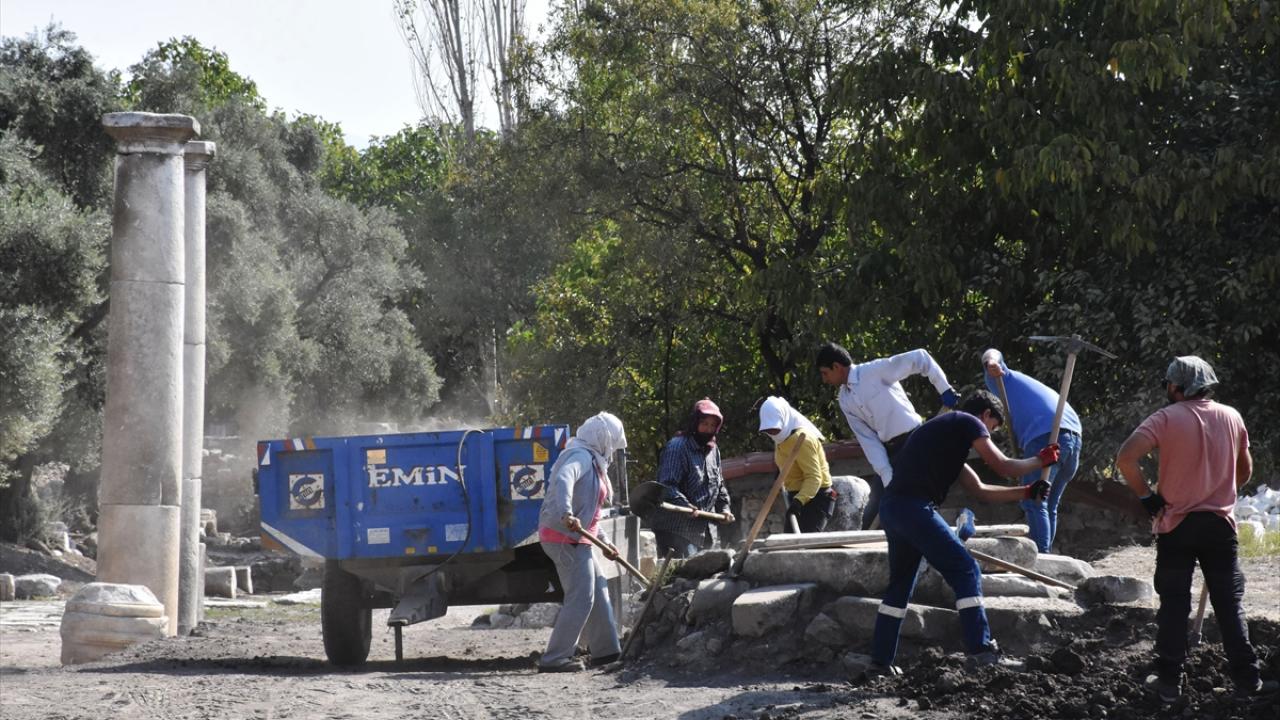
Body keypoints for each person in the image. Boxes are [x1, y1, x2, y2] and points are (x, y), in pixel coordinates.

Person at [1116, 356, 1278, 703]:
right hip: (1219, 526)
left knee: (1174, 604)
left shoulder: (1165, 418)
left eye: (1168, 386)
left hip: (1176, 526)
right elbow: (1245, 470)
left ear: (1176, 387)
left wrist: (1146, 497)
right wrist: (1220, 490)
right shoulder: (1232, 417)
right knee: (1230, 604)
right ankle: (1248, 682)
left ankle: (1170, 683)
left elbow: (1125, 457)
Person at [867, 390, 1059, 677]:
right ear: (986, 416)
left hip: (893, 509)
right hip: (914, 507)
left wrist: (1027, 492)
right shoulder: (968, 421)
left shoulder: (944, 438)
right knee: (966, 569)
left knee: (901, 585)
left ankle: (879, 664)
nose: (989, 436)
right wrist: (1039, 461)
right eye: (992, 430)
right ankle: (981, 652)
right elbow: (1003, 465)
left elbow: (981, 491)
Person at [817, 343, 960, 530]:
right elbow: (868, 439)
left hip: (915, 441)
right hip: (890, 451)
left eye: (825, 373)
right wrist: (886, 474)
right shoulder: (845, 400)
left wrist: (944, 388)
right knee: (878, 507)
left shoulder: (873, 371)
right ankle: (868, 552)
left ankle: (939, 541)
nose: (825, 380)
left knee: (918, 500)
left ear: (837, 367)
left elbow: (920, 358)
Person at [536, 411, 627, 672]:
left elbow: (589, 513)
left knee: (597, 588)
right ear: (602, 438)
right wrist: (565, 513)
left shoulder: (594, 461)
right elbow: (564, 478)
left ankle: (607, 652)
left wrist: (605, 543)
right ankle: (555, 658)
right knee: (581, 596)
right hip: (563, 538)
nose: (612, 449)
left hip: (579, 538)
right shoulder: (579, 456)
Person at [981, 348, 1082, 552]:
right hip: (1074, 436)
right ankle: (1048, 557)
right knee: (1048, 503)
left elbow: (992, 352)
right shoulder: (1021, 387)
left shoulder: (999, 379)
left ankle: (1041, 560)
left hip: (1046, 433)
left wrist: (991, 362)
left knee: (1034, 502)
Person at [651, 398, 736, 558]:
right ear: (695, 422)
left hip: (706, 532)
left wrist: (724, 509)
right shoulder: (677, 448)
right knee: (680, 580)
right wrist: (686, 506)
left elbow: (719, 486)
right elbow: (667, 485)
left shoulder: (713, 450)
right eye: (704, 424)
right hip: (677, 531)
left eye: (712, 425)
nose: (708, 429)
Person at [757, 396, 836, 533]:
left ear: (783, 420)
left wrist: (799, 501)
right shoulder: (781, 438)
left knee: (805, 546)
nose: (772, 433)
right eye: (768, 430)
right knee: (790, 545)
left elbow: (814, 477)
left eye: (775, 429)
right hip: (796, 496)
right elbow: (788, 461)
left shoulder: (803, 439)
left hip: (816, 497)